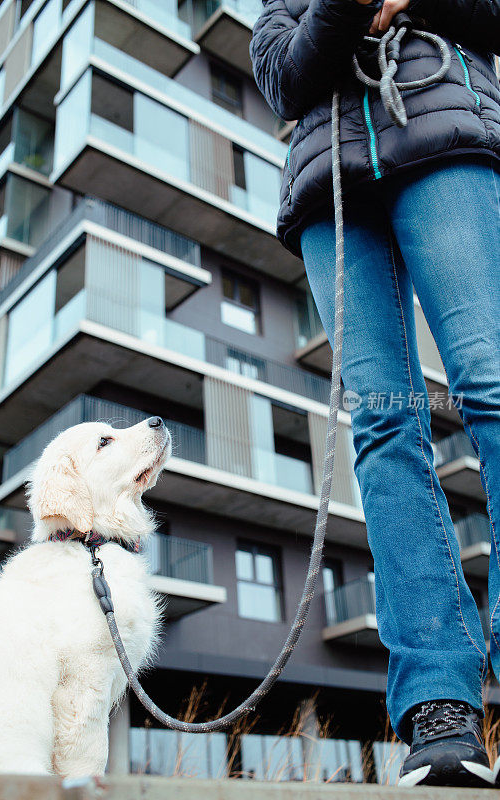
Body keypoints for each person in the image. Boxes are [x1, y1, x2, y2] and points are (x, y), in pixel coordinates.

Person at [250, 0, 500, 788]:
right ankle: (437, 705)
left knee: (491, 387)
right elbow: (285, 80)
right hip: (331, 185)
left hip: (445, 140)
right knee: (385, 428)